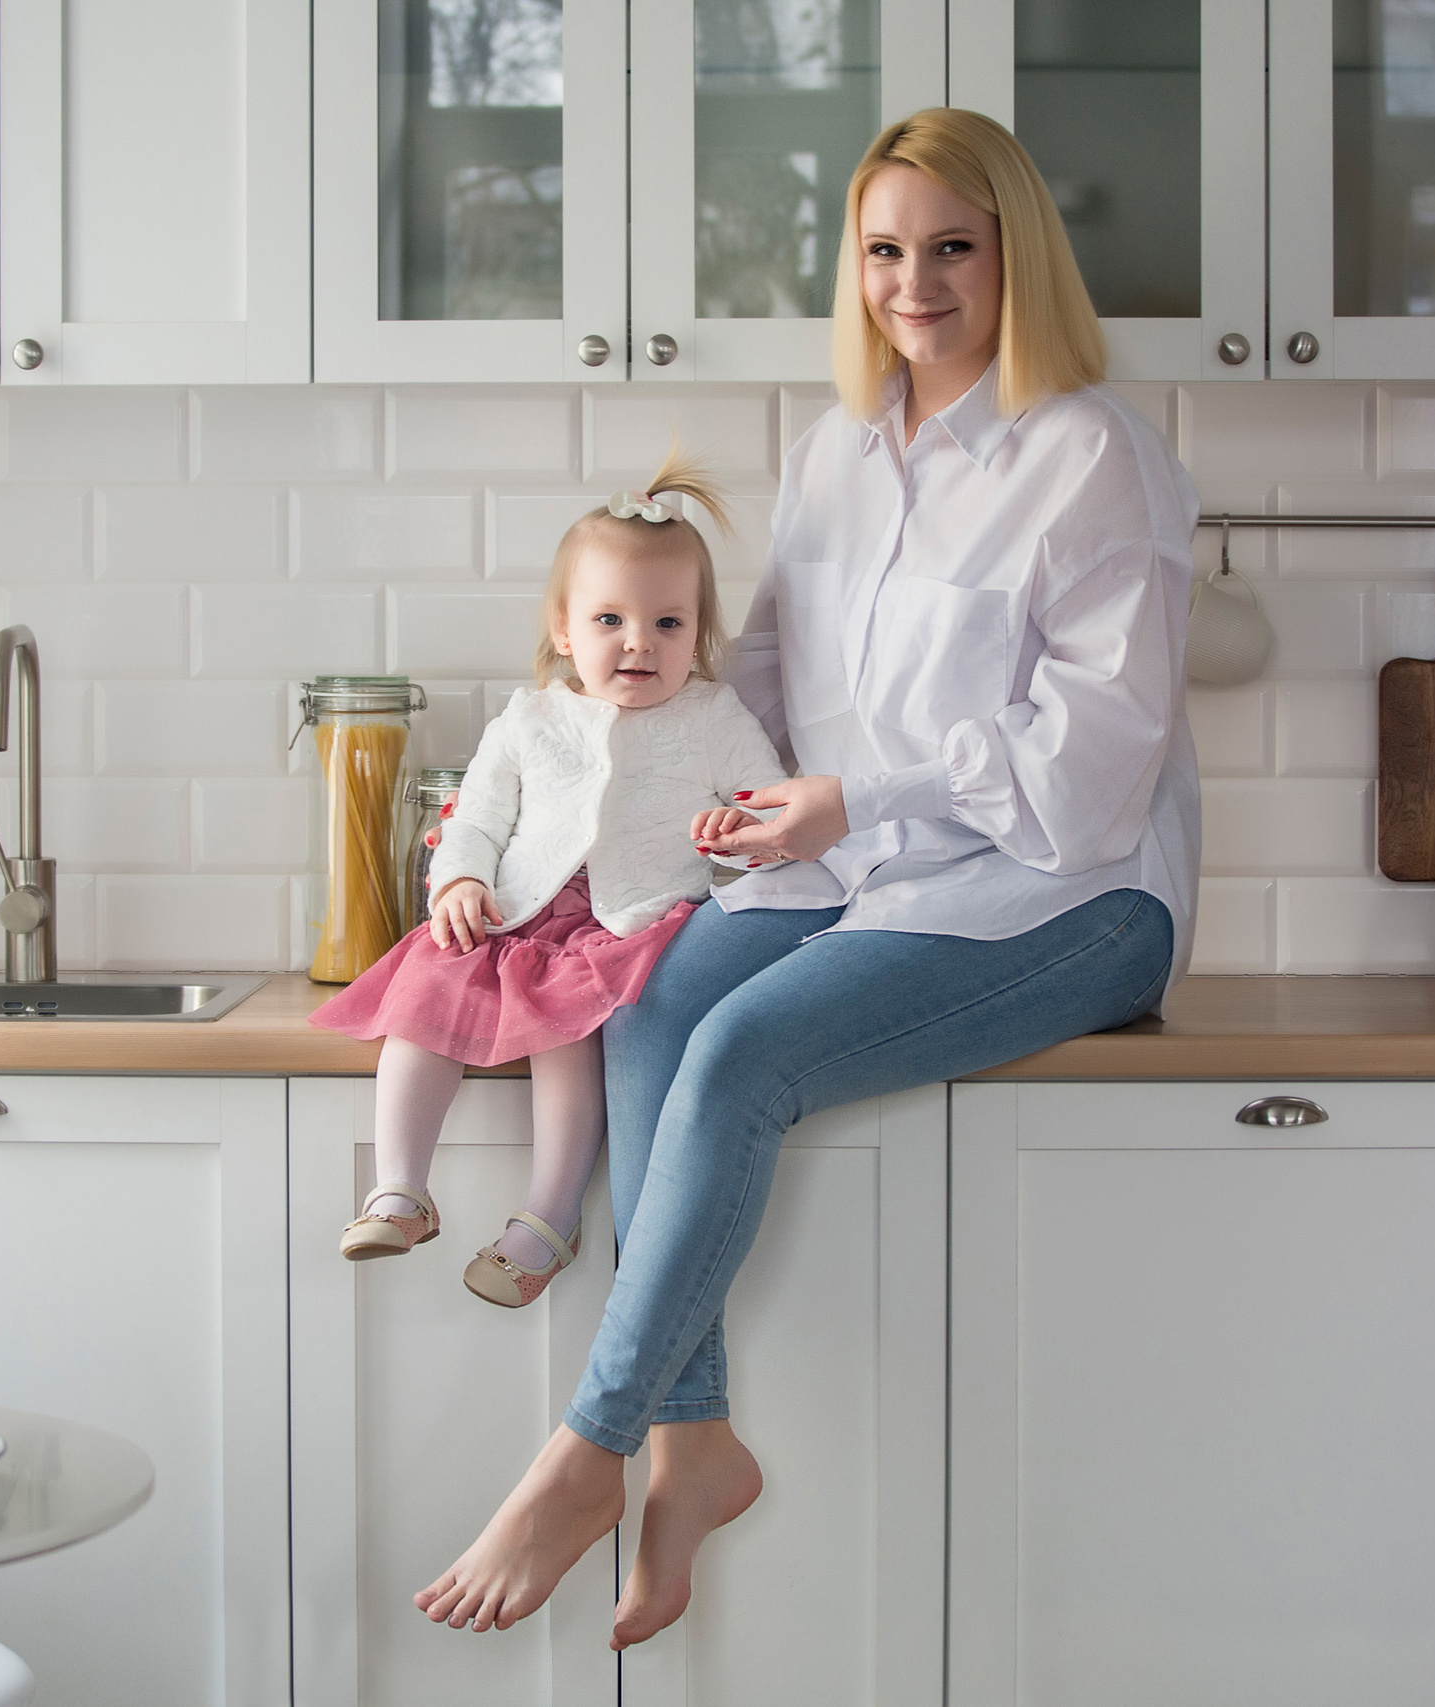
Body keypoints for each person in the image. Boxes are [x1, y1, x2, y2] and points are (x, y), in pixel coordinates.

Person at [414, 104, 1203, 1647]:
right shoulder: (842, 449)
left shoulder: (1095, 454)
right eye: (886, 251)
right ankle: (698, 1443)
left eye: (953, 247)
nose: (916, 281)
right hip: (859, 868)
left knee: (745, 1047)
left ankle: (590, 1449)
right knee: (650, 1010)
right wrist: (703, 809)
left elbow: (1091, 768)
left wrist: (855, 794)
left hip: (1068, 892)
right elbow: (766, 671)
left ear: (1015, 256)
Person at [309, 452, 788, 1308]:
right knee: (425, 989)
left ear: (698, 634)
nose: (639, 642)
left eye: (669, 624)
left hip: (625, 924)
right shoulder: (529, 716)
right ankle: (400, 1186)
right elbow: (478, 819)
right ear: (565, 629)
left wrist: (737, 837)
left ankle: (549, 1216)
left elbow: (767, 817)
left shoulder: (715, 716)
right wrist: (457, 882)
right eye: (611, 619)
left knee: (566, 1033)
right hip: (515, 913)